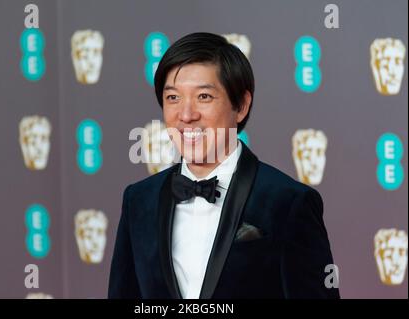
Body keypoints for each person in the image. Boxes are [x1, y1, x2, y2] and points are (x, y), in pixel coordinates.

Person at [108, 32, 340, 299]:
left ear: (241, 105)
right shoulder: (139, 200)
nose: (186, 115)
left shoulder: (289, 202)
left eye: (204, 96)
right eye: (173, 98)